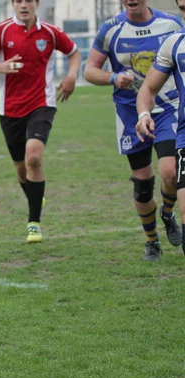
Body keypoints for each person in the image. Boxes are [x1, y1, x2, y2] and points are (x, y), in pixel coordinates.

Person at [0, 0, 81, 243]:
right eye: (19, 1)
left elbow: (74, 52)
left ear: (37, 4)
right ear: (13, 4)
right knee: (21, 169)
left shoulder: (51, 33)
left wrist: (72, 75)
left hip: (42, 104)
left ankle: (34, 222)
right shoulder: (0, 31)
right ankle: (35, 195)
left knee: (34, 157)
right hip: (10, 109)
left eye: (28, 0)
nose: (24, 5)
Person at [84, 0, 183, 261]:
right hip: (129, 112)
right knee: (142, 184)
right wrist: (113, 78)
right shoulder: (111, 29)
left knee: (170, 172)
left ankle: (168, 211)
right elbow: (90, 71)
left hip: (168, 107)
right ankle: (152, 241)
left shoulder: (171, 24)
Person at [135, 0, 185, 256]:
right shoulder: (175, 44)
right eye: (184, 8)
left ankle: (166, 213)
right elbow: (148, 88)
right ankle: (158, 230)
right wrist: (144, 113)